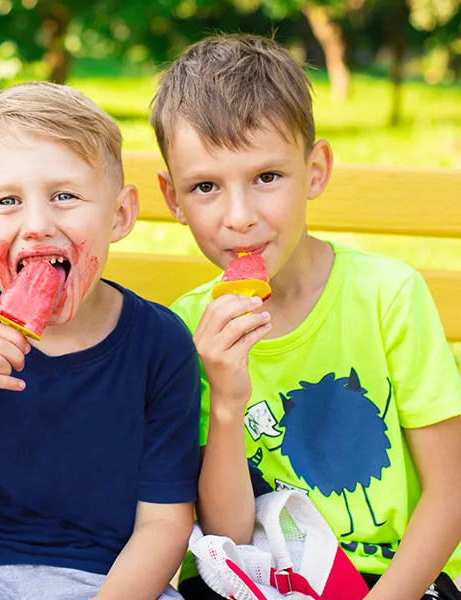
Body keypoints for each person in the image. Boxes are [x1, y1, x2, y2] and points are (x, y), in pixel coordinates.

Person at [150, 33, 461, 600]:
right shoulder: (184, 330)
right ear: (172, 198)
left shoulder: (386, 296)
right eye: (206, 187)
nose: (239, 217)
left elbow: (451, 494)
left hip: (393, 580)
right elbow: (228, 535)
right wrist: (224, 399)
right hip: (255, 576)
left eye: (267, 177)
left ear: (315, 170)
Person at [0, 81, 201, 600]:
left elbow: (164, 524)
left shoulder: (160, 342)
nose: (38, 224)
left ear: (120, 214)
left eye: (65, 196)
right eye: (7, 201)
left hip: (114, 581)